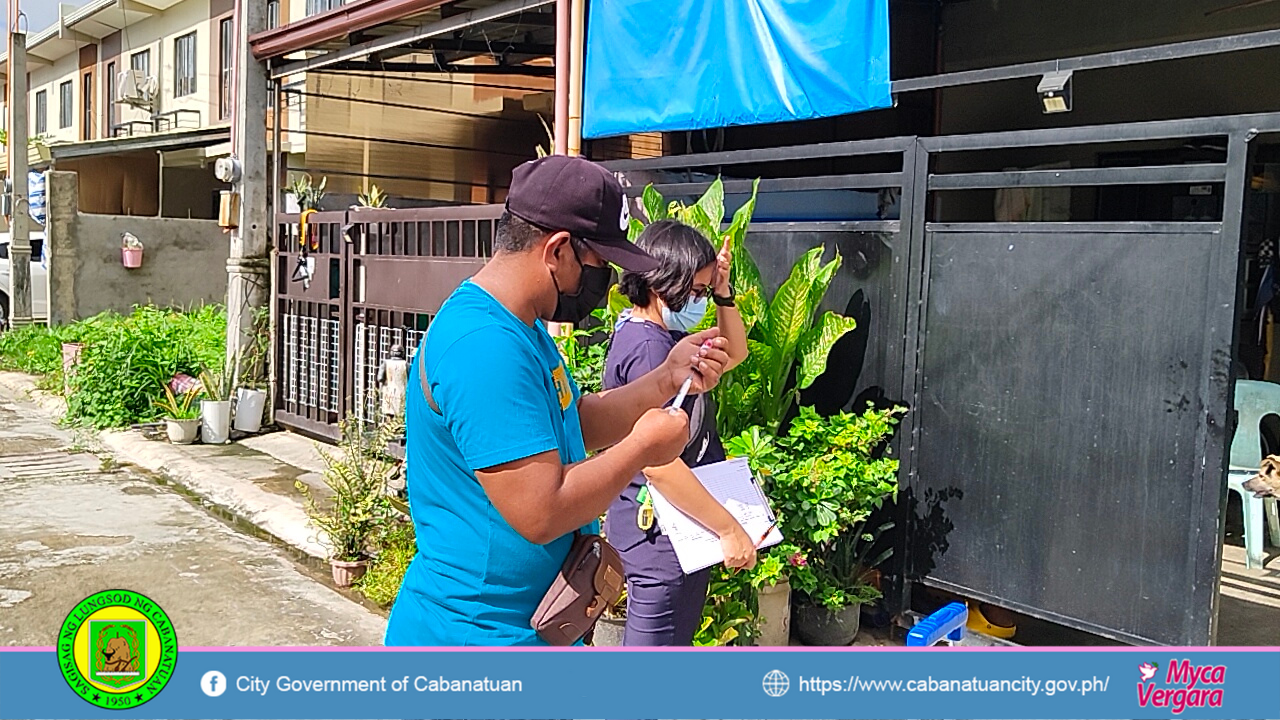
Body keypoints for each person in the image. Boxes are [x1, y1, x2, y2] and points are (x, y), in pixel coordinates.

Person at [384, 156, 731, 646]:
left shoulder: (522, 326)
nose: (605, 281)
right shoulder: (485, 346)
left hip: (529, 627)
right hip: (476, 640)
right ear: (559, 250)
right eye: (600, 265)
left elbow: (574, 422)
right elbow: (541, 511)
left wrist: (664, 380)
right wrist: (643, 449)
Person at [604, 219, 753, 646]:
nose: (699, 300)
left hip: (674, 528)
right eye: (697, 290)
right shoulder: (652, 349)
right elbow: (659, 464)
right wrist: (729, 530)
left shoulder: (659, 334)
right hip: (660, 533)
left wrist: (724, 293)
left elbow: (734, 353)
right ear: (663, 281)